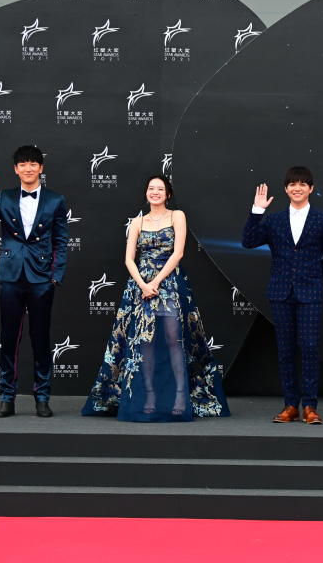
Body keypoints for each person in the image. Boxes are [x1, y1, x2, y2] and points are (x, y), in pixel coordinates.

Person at [82, 175, 230, 422]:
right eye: (151, 188)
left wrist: (156, 282)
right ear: (146, 193)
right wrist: (143, 284)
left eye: (160, 189)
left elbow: (178, 252)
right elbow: (129, 259)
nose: (155, 192)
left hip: (169, 284)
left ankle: (181, 397)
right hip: (140, 288)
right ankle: (148, 397)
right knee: (145, 344)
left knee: (174, 340)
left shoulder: (177, 216)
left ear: (168, 194)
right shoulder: (138, 222)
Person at [0, 146, 68, 418]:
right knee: (8, 339)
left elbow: (61, 242)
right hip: (11, 276)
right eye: (23, 164)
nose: (28, 168)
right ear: (16, 169)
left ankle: (42, 397)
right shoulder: (4, 197)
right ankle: (7, 397)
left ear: (41, 168)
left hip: (42, 278)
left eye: (33, 164)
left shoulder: (55, 200)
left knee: (40, 338)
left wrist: (55, 276)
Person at [242, 166, 323, 425]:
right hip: (280, 292)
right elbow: (248, 241)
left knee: (308, 348)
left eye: (302, 184)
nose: (297, 188)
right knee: (285, 350)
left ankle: (310, 406)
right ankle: (289, 405)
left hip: (310, 294)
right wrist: (257, 210)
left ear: (311, 188)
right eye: (292, 184)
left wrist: (312, 277)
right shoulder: (273, 220)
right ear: (286, 189)